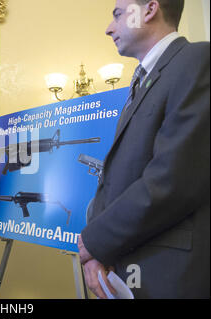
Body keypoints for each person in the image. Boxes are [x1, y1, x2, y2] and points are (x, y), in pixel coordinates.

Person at [78, 0, 209, 299]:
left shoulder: (198, 60)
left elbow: (175, 179)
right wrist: (101, 251)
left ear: (149, 9)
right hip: (127, 262)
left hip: (168, 274)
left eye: (117, 14)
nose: (109, 28)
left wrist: (94, 242)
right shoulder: (143, 81)